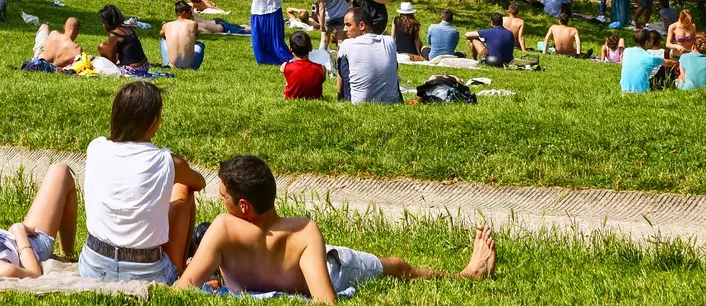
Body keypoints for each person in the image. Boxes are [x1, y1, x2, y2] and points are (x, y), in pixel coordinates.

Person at [175, 154, 496, 301]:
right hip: (317, 269)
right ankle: (464, 274)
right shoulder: (302, 231)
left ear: (243, 206)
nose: (221, 204)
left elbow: (185, 285)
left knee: (396, 267)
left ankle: (467, 275)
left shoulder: (222, 229)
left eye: (223, 198)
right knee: (395, 267)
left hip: (331, 268)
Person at [80, 81, 205, 282]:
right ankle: (179, 270)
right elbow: (199, 183)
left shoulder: (96, 147)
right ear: (153, 122)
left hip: (93, 266)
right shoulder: (166, 160)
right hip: (148, 273)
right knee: (184, 188)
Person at [334, 9, 401, 104]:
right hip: (392, 101)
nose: (345, 29)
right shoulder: (389, 41)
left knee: (342, 58)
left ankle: (342, 98)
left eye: (348, 25)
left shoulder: (347, 44)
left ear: (361, 25)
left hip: (360, 102)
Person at [96, 4, 149, 71]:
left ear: (109, 21)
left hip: (133, 70)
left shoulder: (114, 34)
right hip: (145, 66)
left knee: (102, 46)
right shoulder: (128, 27)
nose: (103, 25)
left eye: (104, 22)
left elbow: (112, 62)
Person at [619, 26, 664, 93]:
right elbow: (668, 63)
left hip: (624, 90)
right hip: (643, 92)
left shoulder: (627, 51)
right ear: (647, 42)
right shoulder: (651, 57)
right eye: (651, 40)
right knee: (665, 68)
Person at [161, 1, 204, 70]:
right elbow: (195, 39)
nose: (191, 15)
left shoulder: (167, 25)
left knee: (163, 40)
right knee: (200, 44)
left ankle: (167, 64)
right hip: (190, 66)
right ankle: (194, 67)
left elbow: (161, 34)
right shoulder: (193, 24)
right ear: (184, 13)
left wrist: (164, 27)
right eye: (190, 13)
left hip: (172, 66)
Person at [282, 30, 325, 99]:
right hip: (315, 98)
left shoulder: (285, 66)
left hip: (291, 98)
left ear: (290, 49)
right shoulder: (321, 69)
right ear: (310, 48)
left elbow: (282, 69)